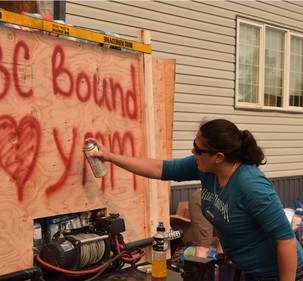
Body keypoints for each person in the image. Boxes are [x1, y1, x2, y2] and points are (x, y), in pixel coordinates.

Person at [86, 118, 303, 281]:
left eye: (198, 149)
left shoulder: (252, 186)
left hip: (281, 274)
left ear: (219, 157)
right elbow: (159, 168)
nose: (193, 151)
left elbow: (286, 240)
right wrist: (109, 156)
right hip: (246, 269)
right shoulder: (207, 168)